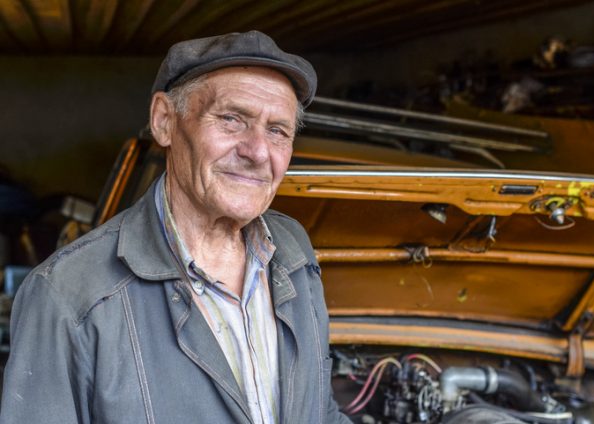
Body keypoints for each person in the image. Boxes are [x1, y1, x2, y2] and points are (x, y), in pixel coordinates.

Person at [0, 31, 352, 424]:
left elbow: (319, 410)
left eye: (277, 131)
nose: (257, 152)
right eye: (232, 119)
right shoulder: (67, 295)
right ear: (164, 121)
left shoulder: (293, 251)